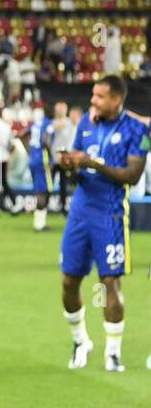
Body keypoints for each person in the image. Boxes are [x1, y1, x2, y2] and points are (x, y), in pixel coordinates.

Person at [57, 75, 148, 372]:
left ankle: (113, 353)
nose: (93, 100)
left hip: (109, 213)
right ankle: (80, 340)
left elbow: (133, 176)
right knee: (69, 281)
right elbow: (77, 161)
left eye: (99, 96)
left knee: (110, 281)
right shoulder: (86, 122)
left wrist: (92, 164)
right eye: (93, 95)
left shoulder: (136, 129)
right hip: (80, 211)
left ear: (116, 100)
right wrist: (69, 164)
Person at [27, 106, 56, 231]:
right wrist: (51, 157)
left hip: (33, 159)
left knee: (41, 189)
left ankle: (39, 222)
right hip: (42, 160)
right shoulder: (49, 124)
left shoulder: (36, 123)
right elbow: (45, 140)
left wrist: (31, 152)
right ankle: (39, 224)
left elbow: (23, 134)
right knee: (42, 191)